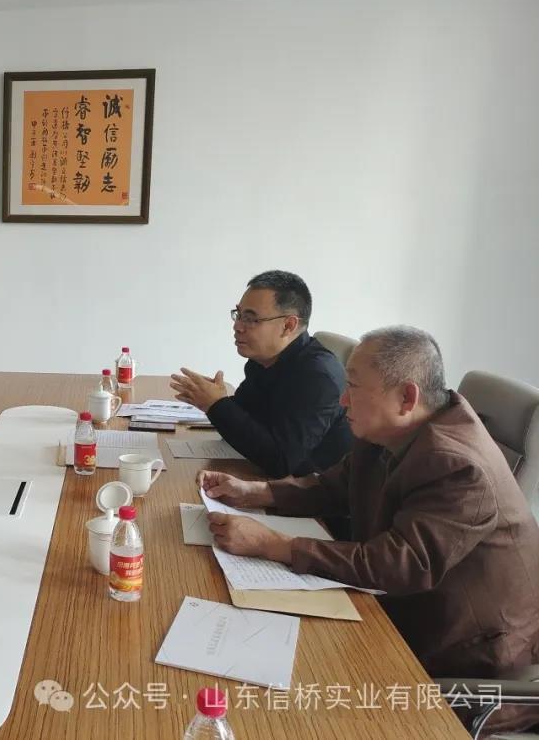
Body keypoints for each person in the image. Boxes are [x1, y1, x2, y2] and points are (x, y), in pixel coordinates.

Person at [199, 326, 539, 734]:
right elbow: (334, 486)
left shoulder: (458, 466)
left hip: (463, 656)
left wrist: (274, 545)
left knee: (285, 704)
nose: (342, 400)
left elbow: (398, 564)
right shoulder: (391, 429)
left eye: (354, 387)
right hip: (401, 612)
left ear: (407, 397)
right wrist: (256, 492)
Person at [171, 269, 351, 477]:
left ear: (288, 325)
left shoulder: (318, 378)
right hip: (261, 477)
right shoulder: (263, 360)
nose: (237, 326)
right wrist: (214, 400)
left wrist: (217, 405)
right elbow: (246, 424)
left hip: (308, 491)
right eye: (238, 315)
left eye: (250, 319)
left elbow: (282, 462)